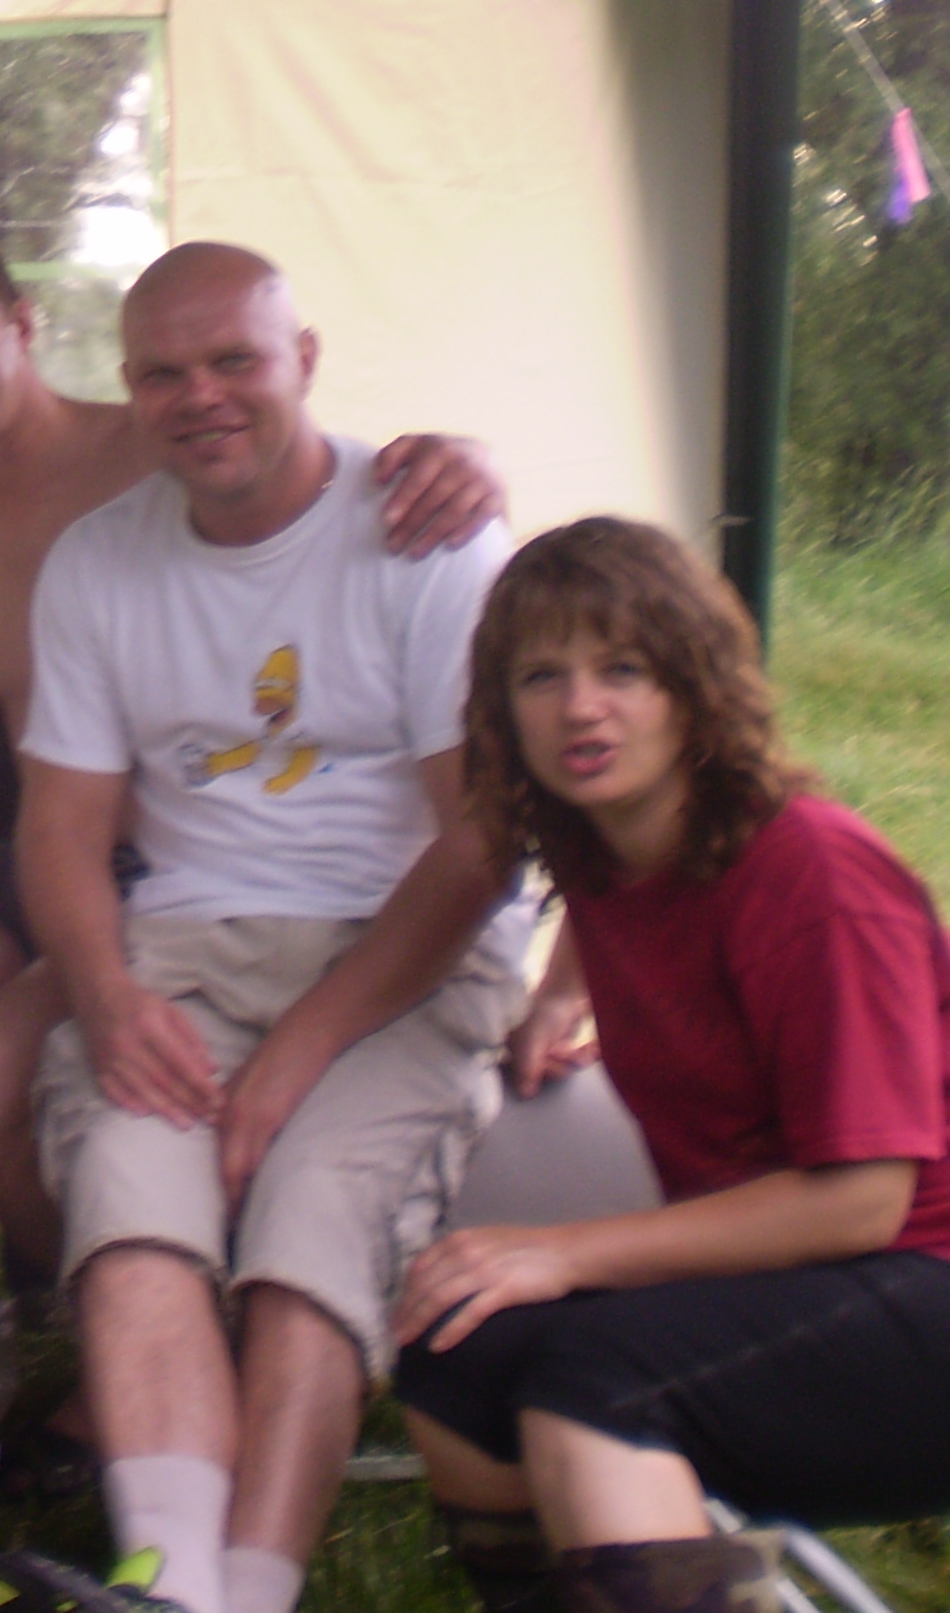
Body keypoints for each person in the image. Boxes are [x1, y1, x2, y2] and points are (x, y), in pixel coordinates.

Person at [0, 241, 528, 1613]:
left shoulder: (424, 533)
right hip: (183, 950)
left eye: (234, 359)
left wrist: (302, 1048)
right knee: (131, 1210)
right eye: (163, 373)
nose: (202, 397)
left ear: (304, 359)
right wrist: (108, 996)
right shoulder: (97, 561)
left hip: (403, 955)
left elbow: (481, 841)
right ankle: (176, 1582)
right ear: (129, 389)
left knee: (311, 1228)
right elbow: (59, 828)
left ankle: (249, 1590)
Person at [0, 216, 500, 1293]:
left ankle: (163, 1296)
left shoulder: (149, 447)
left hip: (186, 868)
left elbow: (308, 478)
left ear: (21, 324)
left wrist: (472, 460)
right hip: (59, 864)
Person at [392, 517, 950, 1613]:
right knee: (458, 1354)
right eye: (541, 676)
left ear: (694, 687)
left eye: (624, 670)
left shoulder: (815, 877)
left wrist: (564, 1253)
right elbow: (641, 920)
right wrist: (560, 994)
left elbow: (861, 1201)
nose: (580, 707)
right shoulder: (607, 852)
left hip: (918, 1270)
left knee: (599, 1389)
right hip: (802, 1278)